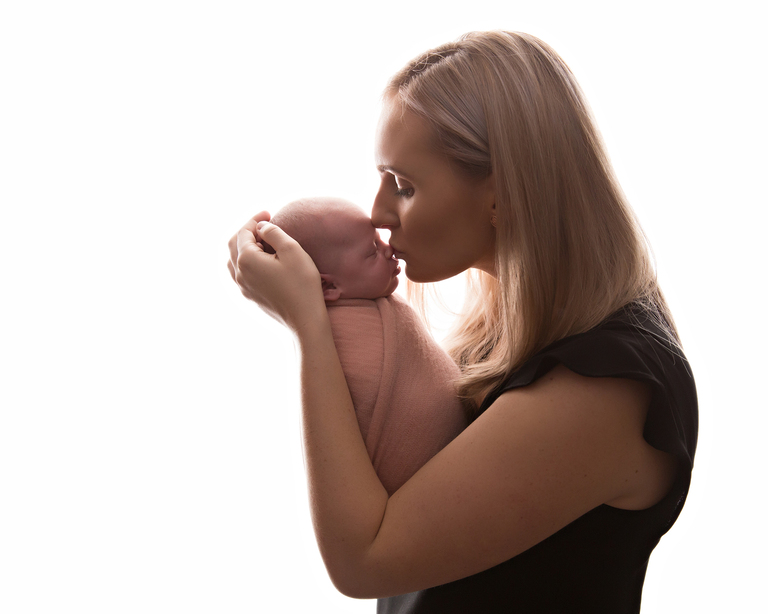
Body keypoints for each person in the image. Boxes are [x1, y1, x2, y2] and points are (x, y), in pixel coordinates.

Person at [228, 31, 698, 613]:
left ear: (501, 197)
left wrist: (310, 321)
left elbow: (362, 559)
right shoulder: (500, 333)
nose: (376, 213)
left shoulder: (602, 387)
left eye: (403, 185)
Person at [265, 196, 469, 495]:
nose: (389, 249)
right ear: (328, 287)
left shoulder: (368, 301)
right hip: (420, 493)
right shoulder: (332, 339)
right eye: (372, 251)